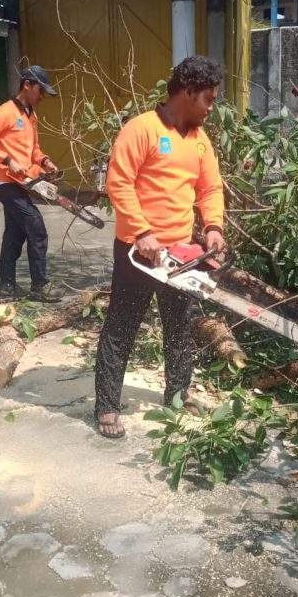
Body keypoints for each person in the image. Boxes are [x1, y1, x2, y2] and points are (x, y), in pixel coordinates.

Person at [94, 55, 226, 439]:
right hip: (138, 252)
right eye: (208, 99)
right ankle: (107, 405)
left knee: (179, 327)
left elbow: (210, 188)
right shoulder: (142, 130)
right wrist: (141, 231)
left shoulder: (199, 142)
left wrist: (213, 226)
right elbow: (119, 182)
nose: (211, 108)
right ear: (188, 91)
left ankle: (178, 393)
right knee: (122, 326)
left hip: (180, 254)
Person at [0, 65, 65, 303]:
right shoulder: (4, 112)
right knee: (36, 227)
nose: (42, 96)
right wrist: (7, 160)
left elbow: (34, 150)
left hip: (22, 182)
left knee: (14, 235)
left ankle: (7, 288)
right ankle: (39, 285)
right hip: (5, 182)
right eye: (40, 90)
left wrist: (45, 162)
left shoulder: (31, 115)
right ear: (27, 85)